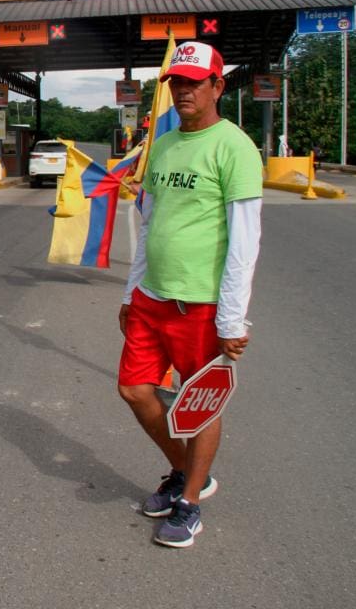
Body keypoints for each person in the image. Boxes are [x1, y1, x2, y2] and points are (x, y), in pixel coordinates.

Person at [117, 42, 263, 548]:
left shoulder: (235, 147)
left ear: (217, 86)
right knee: (135, 390)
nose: (183, 89)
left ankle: (191, 503)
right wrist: (130, 290)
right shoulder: (165, 144)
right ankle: (185, 472)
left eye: (194, 82)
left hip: (201, 307)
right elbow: (149, 221)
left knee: (200, 407)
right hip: (152, 299)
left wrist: (233, 318)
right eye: (177, 82)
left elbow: (245, 240)